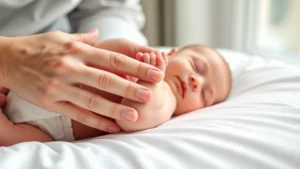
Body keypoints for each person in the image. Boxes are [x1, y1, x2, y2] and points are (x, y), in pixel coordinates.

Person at [2, 44, 232, 146]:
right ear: (171, 53)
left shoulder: (167, 101)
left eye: (205, 93)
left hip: (48, 125)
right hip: (28, 83)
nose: (195, 81)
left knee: (11, 136)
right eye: (196, 66)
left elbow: (132, 116)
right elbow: (98, 52)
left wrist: (147, 82)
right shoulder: (137, 57)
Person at [0, 0, 163, 134]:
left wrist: (107, 59)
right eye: (190, 61)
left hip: (60, 50)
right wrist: (6, 60)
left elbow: (109, 8)